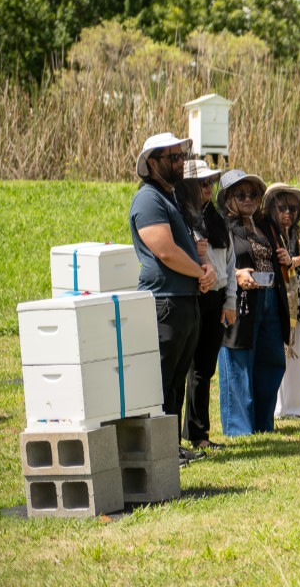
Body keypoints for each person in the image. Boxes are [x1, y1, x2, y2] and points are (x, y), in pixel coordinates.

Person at [129, 133, 214, 467]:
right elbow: (164, 250)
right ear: (153, 163)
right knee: (162, 381)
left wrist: (202, 267)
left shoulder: (168, 197)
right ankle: (159, 451)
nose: (181, 162)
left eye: (182, 157)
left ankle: (171, 447)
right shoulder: (148, 200)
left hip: (182, 300)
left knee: (176, 380)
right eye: (173, 158)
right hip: (165, 301)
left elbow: (183, 246)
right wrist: (199, 272)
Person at [216, 169, 289, 437]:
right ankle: (239, 429)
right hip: (239, 298)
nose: (249, 199)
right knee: (238, 361)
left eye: (254, 194)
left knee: (271, 361)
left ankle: (262, 424)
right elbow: (212, 264)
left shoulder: (265, 224)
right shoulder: (220, 226)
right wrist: (237, 274)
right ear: (227, 198)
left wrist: (284, 257)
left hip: (269, 297)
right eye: (241, 194)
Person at [175, 160, 236, 452]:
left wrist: (230, 301)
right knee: (181, 367)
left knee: (204, 369)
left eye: (211, 182)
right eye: (202, 183)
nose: (208, 188)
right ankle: (172, 438)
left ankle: (199, 433)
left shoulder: (218, 219)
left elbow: (230, 264)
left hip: (217, 296)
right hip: (192, 296)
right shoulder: (179, 218)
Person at [265, 183, 300, 420]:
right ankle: (279, 407)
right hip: (278, 303)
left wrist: (297, 259)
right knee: (279, 354)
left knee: (298, 355)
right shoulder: (268, 233)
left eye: (292, 208)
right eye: (282, 208)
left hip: (299, 304)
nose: (288, 213)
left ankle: (297, 406)